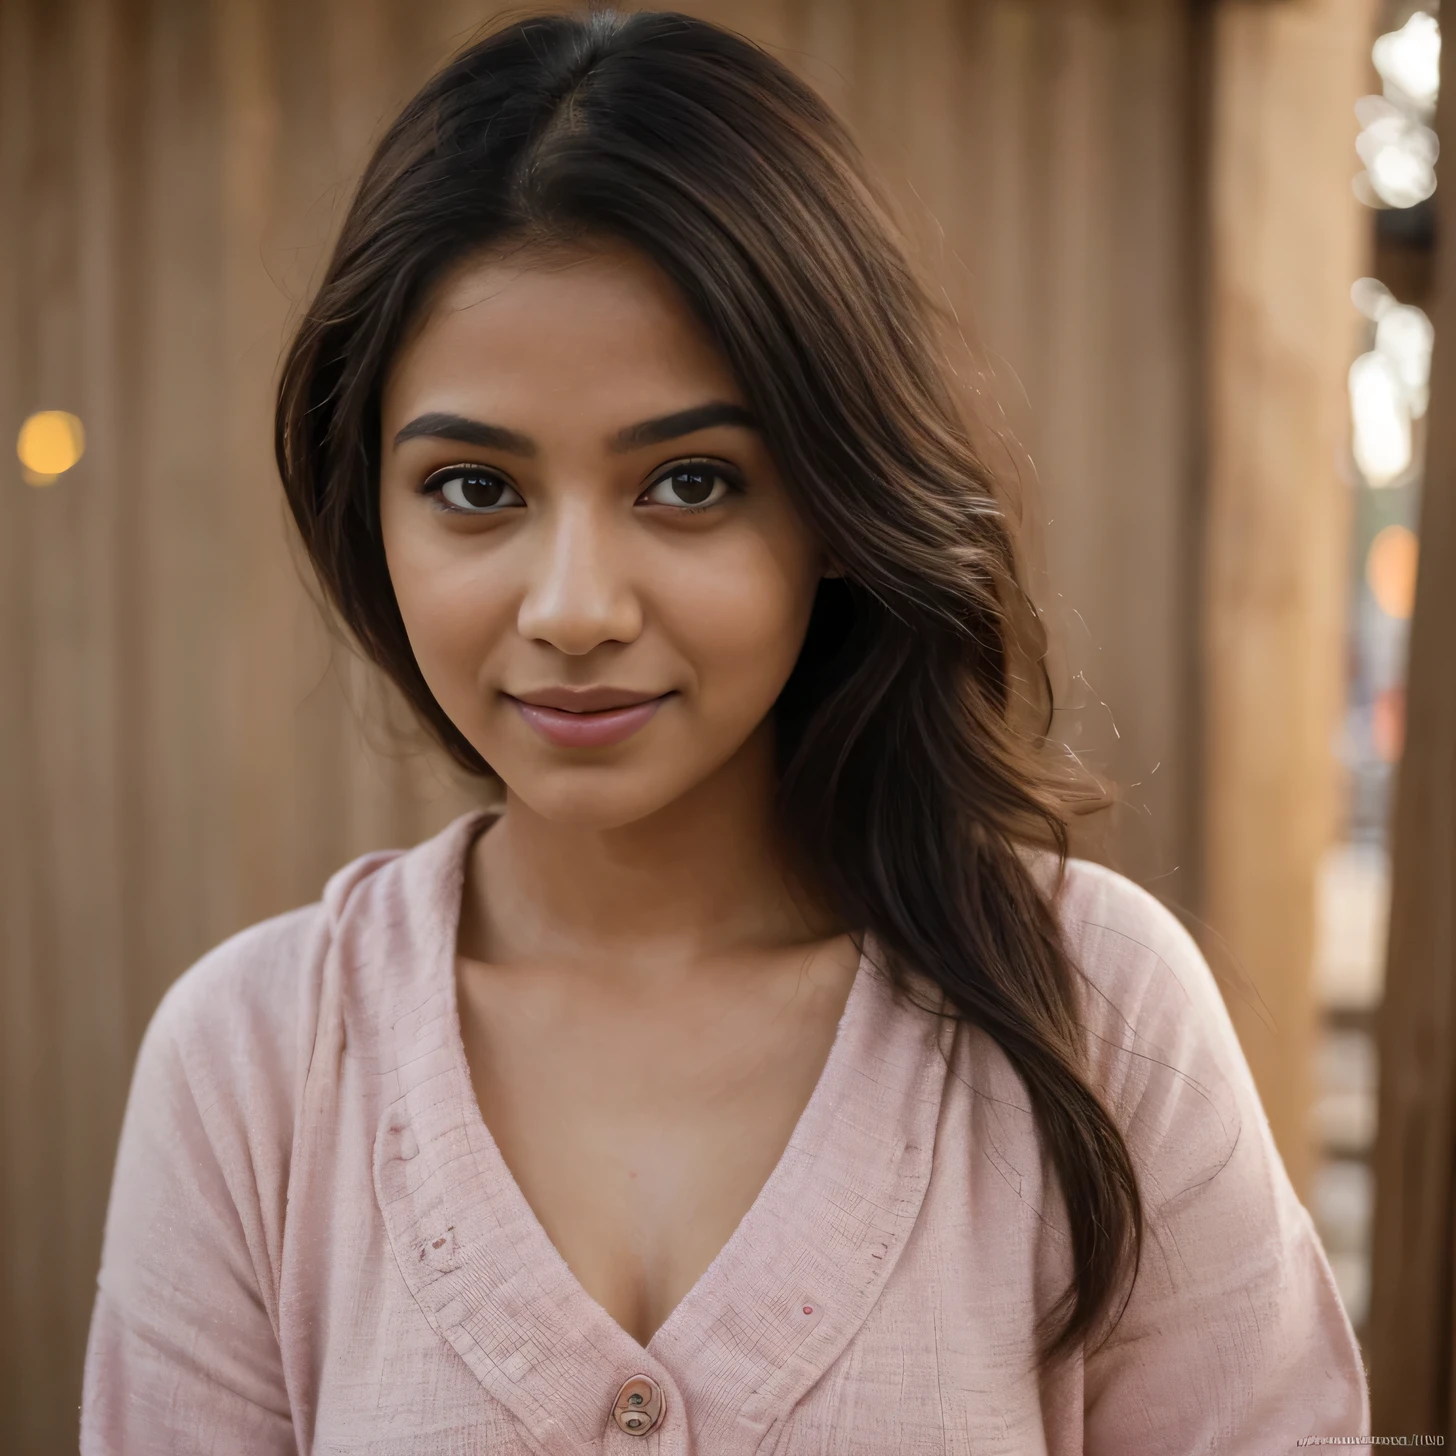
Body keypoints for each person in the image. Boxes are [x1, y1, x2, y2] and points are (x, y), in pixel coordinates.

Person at [80, 10, 1369, 1453]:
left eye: (689, 483)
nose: (573, 609)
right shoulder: (253, 1066)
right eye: (475, 489)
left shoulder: (1096, 1015)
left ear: (832, 506)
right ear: (366, 509)